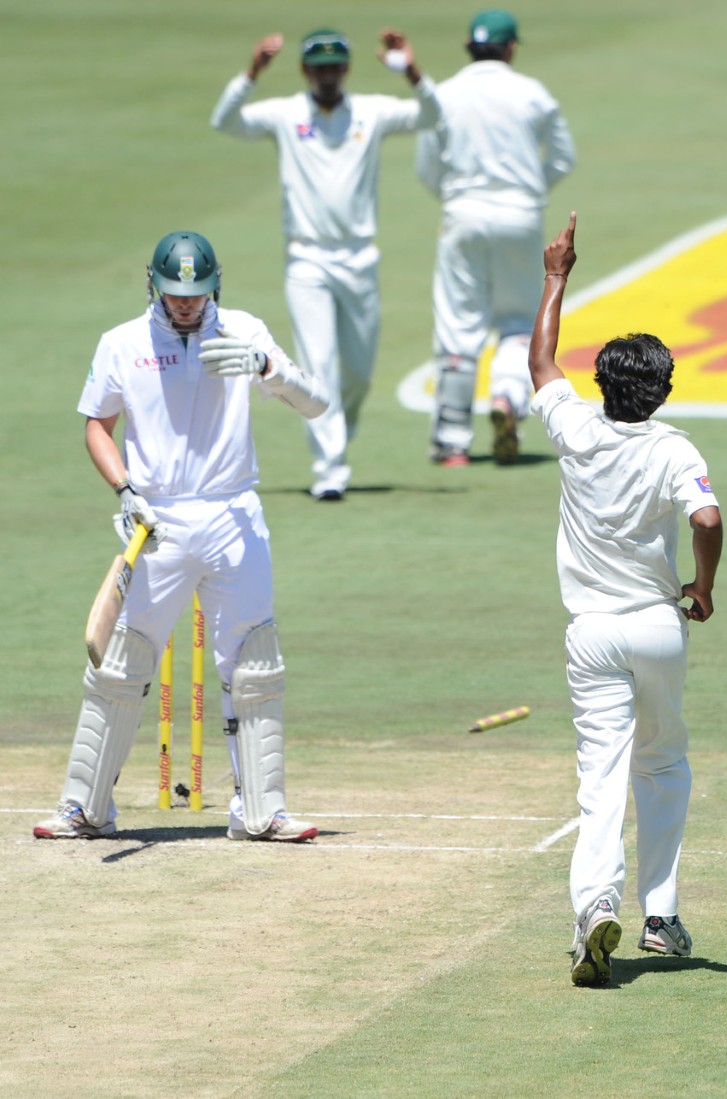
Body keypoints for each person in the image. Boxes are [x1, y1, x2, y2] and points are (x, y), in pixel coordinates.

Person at [34, 230, 329, 843]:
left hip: (234, 517)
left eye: (197, 293)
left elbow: (317, 404)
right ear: (155, 286)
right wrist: (124, 490)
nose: (187, 304)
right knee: (121, 664)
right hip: (158, 522)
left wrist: (266, 367)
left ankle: (262, 812)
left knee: (254, 662)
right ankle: (84, 809)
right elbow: (98, 425)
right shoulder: (122, 342)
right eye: (175, 294)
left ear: (215, 285)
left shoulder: (245, 331)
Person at [528, 212, 723, 985]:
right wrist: (703, 587)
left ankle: (593, 908)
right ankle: (661, 916)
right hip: (656, 626)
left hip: (592, 633)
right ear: (663, 388)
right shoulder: (674, 445)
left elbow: (541, 360)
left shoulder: (575, 425)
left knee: (600, 777)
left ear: (604, 385)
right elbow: (705, 516)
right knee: (664, 764)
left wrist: (557, 273)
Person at [210, 28, 440, 501]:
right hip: (307, 257)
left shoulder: (371, 111)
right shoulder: (286, 113)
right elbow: (225, 121)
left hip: (359, 255)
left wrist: (411, 70)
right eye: (319, 68)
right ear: (305, 71)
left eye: (335, 67)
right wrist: (252, 71)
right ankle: (329, 468)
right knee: (320, 363)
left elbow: (433, 115)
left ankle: (336, 431)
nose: (328, 76)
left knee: (358, 372)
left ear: (346, 69)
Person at [415, 9, 575, 466]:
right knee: (519, 321)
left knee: (458, 324)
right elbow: (563, 156)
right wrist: (528, 193)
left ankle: (451, 442)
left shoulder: (444, 94)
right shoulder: (532, 93)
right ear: (511, 48)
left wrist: (453, 199)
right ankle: (507, 397)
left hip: (462, 212)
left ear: (469, 46)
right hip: (520, 216)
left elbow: (428, 166)